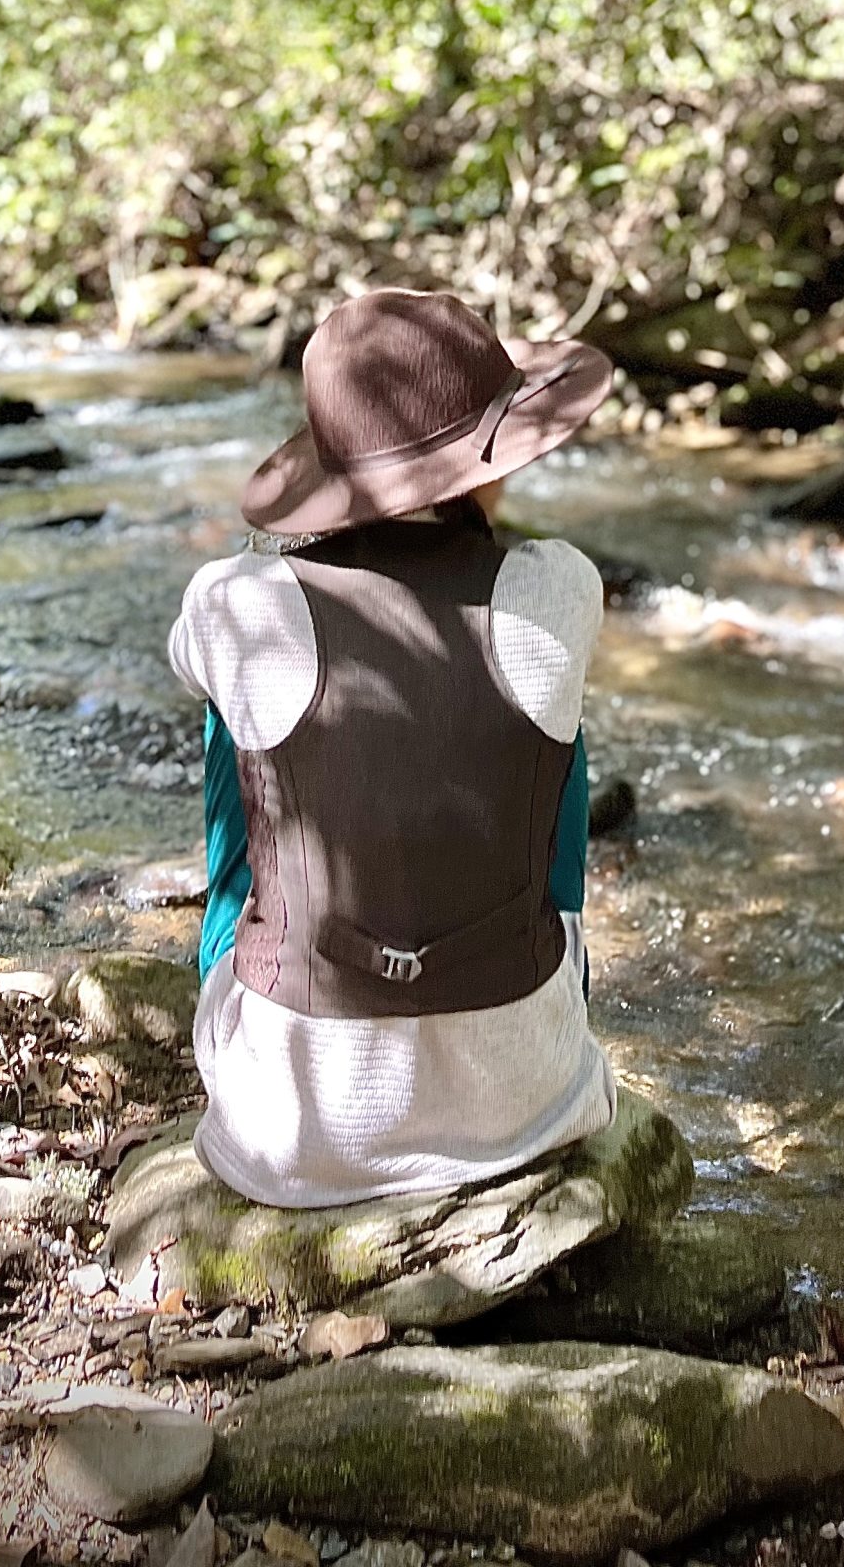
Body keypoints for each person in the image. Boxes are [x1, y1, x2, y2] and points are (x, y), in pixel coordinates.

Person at [166, 286, 619, 1208]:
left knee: (237, 707)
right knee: (545, 723)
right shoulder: (559, 585)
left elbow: (189, 667)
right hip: (523, 1104)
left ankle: (257, 961)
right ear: (491, 461)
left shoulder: (239, 600)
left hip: (289, 1129)